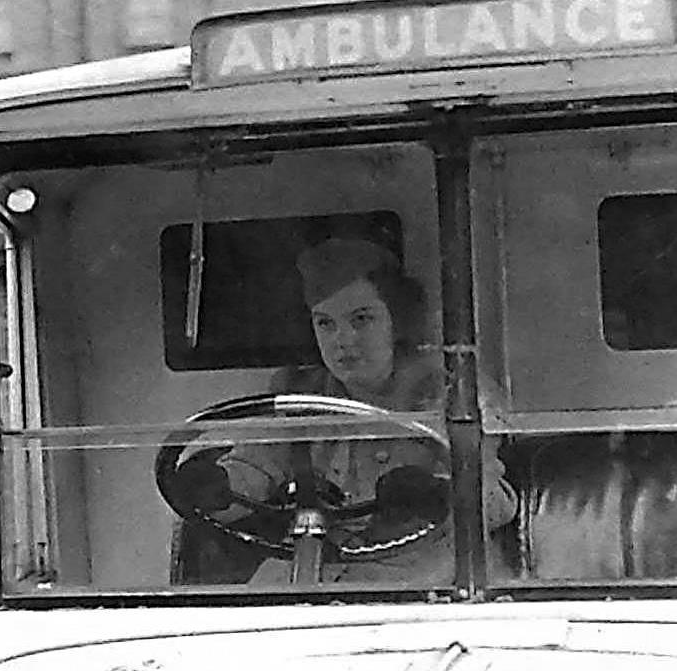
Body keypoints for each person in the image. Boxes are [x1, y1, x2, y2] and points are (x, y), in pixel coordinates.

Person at [170, 237, 517, 585]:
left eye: (361, 319)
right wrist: (215, 486)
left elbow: (494, 499)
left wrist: (437, 496)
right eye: (325, 323)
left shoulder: (451, 391)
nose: (343, 340)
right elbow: (254, 468)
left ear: (398, 320)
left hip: (427, 579)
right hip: (315, 566)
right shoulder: (299, 398)